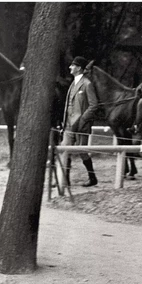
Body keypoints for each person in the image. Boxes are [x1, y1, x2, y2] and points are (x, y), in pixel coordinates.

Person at [57, 56, 99, 190]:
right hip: (69, 124)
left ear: (79, 68)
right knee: (65, 149)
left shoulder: (87, 84)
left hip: (81, 125)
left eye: (73, 65)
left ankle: (92, 178)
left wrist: (83, 120)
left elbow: (94, 105)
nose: (70, 67)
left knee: (82, 151)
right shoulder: (73, 83)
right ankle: (65, 179)